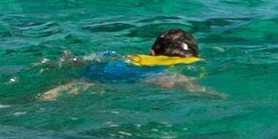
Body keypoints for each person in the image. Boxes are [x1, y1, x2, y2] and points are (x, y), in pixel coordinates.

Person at [41, 29, 217, 100]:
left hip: (113, 68)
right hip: (148, 75)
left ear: (152, 52)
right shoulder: (196, 63)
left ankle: (50, 95)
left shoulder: (140, 57)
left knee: (80, 82)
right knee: (173, 80)